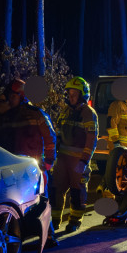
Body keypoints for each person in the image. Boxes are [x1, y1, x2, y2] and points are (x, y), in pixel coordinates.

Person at [0, 78, 58, 244]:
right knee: (16, 203)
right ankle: (16, 236)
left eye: (13, 96)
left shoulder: (36, 114)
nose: (10, 99)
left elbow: (50, 138)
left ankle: (48, 236)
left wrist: (48, 162)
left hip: (33, 168)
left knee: (41, 201)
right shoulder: (5, 116)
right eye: (8, 96)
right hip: (11, 169)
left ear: (21, 96)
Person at [51, 77, 98, 234]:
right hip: (62, 159)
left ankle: (75, 221)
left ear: (82, 95)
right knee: (56, 189)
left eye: (74, 94)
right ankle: (54, 221)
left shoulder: (88, 113)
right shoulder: (65, 111)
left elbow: (91, 139)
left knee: (77, 192)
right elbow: (57, 133)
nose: (71, 97)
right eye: (69, 94)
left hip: (78, 159)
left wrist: (84, 161)